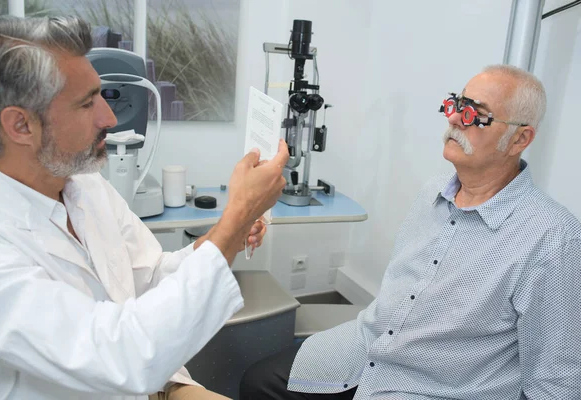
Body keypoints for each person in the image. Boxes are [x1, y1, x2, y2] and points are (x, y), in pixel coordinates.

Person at [0, 15, 288, 400]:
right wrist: (236, 218)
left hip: (154, 386)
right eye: (86, 103)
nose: (109, 118)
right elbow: (118, 357)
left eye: (101, 95)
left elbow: (151, 274)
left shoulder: (83, 185)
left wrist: (226, 233)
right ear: (21, 126)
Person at [240, 65, 581, 399]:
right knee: (257, 382)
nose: (453, 119)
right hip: (365, 349)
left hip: (433, 387)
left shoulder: (553, 239)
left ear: (520, 139)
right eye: (456, 104)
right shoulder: (431, 193)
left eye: (474, 114)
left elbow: (558, 382)